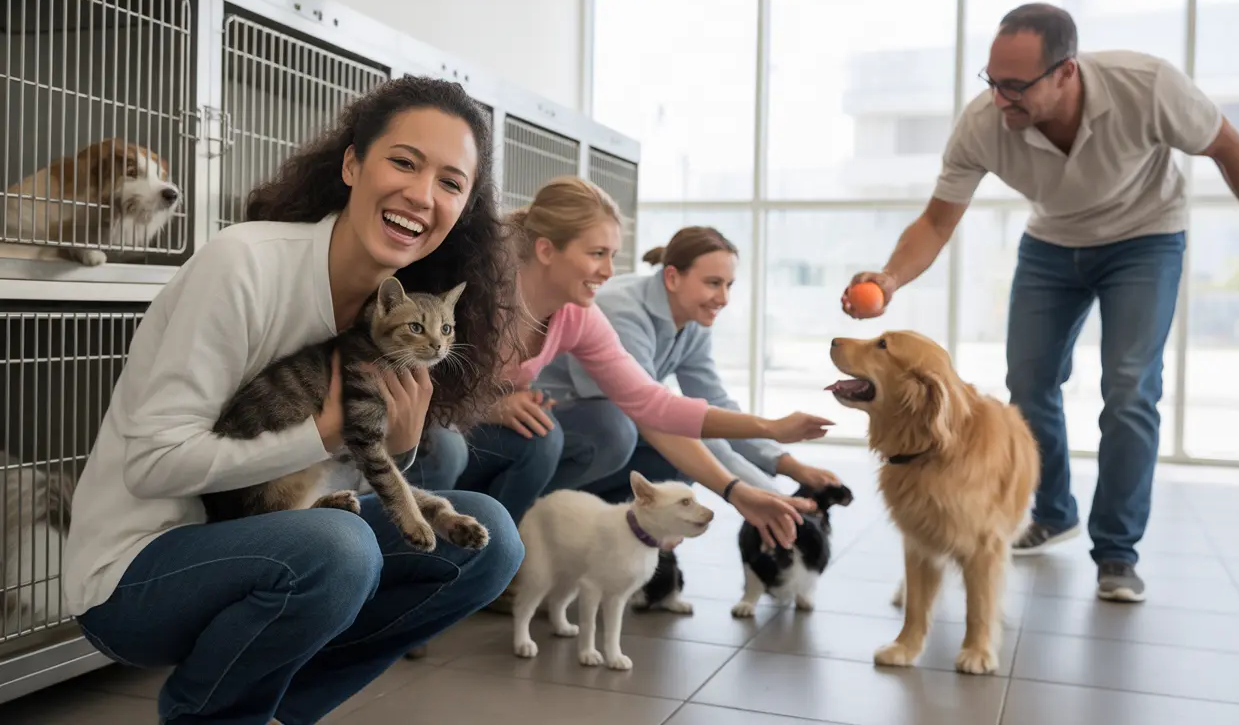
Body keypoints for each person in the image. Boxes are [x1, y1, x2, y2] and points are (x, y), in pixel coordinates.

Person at [63, 76, 526, 724]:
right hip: (136, 570)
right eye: (403, 161)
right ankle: (212, 715)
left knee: (492, 541)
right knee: (339, 547)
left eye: (451, 183)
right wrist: (329, 432)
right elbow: (151, 465)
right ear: (351, 164)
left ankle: (277, 709)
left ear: (465, 208)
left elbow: (317, 474)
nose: (422, 195)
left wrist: (393, 446)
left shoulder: (398, 307)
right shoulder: (243, 264)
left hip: (266, 534)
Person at [843, 3, 1239, 604]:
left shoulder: (1148, 86)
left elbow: (1228, 147)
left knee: (1130, 385)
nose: (999, 98)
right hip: (1053, 245)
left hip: (1146, 237)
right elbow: (936, 221)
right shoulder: (984, 123)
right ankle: (1054, 510)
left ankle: (1116, 550)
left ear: (1066, 71)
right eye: (992, 81)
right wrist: (891, 278)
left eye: (1016, 85)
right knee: (1029, 382)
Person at [405, 176, 835, 551]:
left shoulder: (577, 314)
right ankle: (409, 566)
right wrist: (491, 406)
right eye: (597, 254)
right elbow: (415, 376)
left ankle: (491, 553)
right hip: (422, 415)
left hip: (479, 421)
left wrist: (760, 449)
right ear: (546, 250)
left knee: (546, 438)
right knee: (446, 446)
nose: (609, 271)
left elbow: (652, 404)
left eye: (613, 255)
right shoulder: (481, 291)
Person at [534, 225, 841, 503]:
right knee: (629, 432)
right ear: (672, 277)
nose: (723, 298)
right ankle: (536, 509)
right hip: (555, 424)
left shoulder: (693, 320)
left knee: (678, 465)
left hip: (618, 431)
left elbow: (714, 403)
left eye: (729, 285)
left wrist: (788, 465)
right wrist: (766, 495)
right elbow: (661, 417)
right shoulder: (620, 309)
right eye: (713, 283)